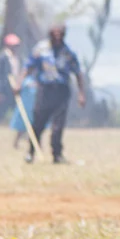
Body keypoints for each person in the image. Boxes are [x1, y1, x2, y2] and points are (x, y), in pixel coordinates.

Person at [24, 23, 87, 164]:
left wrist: (81, 93)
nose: (57, 37)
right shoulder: (41, 49)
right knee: (38, 123)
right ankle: (31, 152)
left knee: (58, 126)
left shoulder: (68, 52)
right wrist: (18, 83)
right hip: (45, 90)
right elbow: (29, 66)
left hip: (61, 91)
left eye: (60, 34)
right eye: (55, 34)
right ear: (50, 34)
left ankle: (57, 155)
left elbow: (78, 73)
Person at [0, 33, 22, 138]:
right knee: (0, 113)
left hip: (15, 89)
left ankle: (21, 134)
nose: (15, 47)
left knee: (20, 112)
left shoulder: (18, 57)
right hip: (5, 90)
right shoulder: (2, 57)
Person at [10, 73, 38, 149]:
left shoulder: (38, 79)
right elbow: (16, 91)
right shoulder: (24, 80)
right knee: (22, 127)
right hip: (25, 106)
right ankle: (16, 143)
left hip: (34, 106)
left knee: (36, 127)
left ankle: (35, 145)